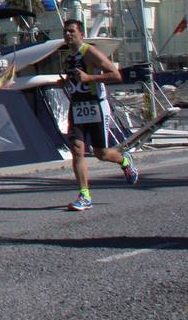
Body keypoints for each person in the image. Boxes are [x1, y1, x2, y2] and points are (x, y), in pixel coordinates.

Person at [59, 18, 139, 211]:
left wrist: (90, 78)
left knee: (101, 153)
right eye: (65, 32)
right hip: (77, 106)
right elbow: (75, 81)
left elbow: (116, 75)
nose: (68, 35)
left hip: (96, 106)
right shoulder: (69, 57)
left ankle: (125, 160)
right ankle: (84, 195)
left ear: (81, 34)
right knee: (77, 150)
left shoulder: (90, 52)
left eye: (72, 31)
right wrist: (63, 84)